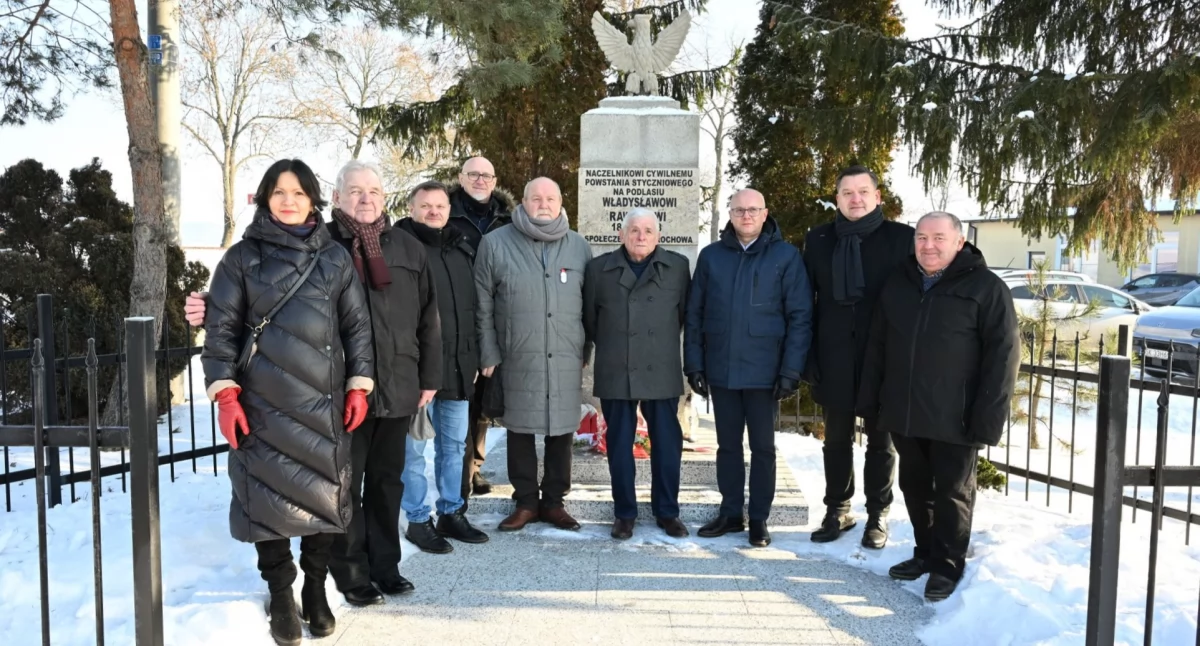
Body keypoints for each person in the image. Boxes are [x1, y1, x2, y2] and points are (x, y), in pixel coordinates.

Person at [186, 160, 441, 607]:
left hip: (390, 384)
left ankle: (386, 566)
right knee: (341, 487)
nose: (365, 199)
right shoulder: (325, 242)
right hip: (328, 391)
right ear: (336, 197)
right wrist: (208, 306)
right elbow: (252, 298)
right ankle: (349, 573)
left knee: (385, 483)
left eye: (374, 191)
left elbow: (427, 318)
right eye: (355, 191)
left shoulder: (403, 246)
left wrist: (428, 377)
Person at [201, 159, 374, 645]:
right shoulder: (240, 259)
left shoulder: (335, 259)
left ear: (313, 199)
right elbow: (221, 333)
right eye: (279, 192)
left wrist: (360, 384)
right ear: (264, 198)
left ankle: (315, 589)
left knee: (324, 496)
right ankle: (281, 593)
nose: (289, 200)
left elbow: (356, 328)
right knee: (266, 500)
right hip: (262, 403)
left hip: (323, 403)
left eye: (299, 192)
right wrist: (225, 395)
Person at [856, 211, 1019, 602]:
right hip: (905, 410)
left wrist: (988, 416)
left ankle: (947, 565)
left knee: (952, 492)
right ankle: (925, 553)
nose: (929, 245)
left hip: (956, 415)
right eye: (921, 238)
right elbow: (878, 344)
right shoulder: (900, 283)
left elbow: (1004, 357)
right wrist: (870, 400)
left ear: (959, 242)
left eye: (938, 238)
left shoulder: (986, 288)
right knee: (914, 486)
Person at [684, 188, 813, 548]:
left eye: (753, 210)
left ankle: (758, 518)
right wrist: (694, 363)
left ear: (765, 212)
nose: (746, 216)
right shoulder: (711, 257)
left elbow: (800, 317)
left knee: (763, 448)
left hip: (765, 373)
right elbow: (694, 314)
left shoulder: (785, 257)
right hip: (721, 369)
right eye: (739, 210)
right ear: (730, 213)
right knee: (727, 446)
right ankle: (729, 512)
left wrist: (790, 370)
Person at [475, 176, 593, 532]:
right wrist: (489, 352)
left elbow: (589, 304)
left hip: (564, 354)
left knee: (561, 431)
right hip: (517, 355)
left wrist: (584, 347)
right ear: (523, 202)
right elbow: (481, 304)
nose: (543, 204)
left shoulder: (578, 247)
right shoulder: (494, 244)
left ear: (561, 202)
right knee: (520, 429)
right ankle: (526, 501)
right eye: (536, 198)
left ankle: (554, 502)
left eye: (551, 198)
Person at [803, 165, 913, 549]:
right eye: (847, 192)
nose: (856, 199)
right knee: (835, 439)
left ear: (877, 196)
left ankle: (878, 513)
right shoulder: (818, 239)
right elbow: (808, 302)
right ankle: (838, 508)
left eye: (863, 191)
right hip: (833, 355)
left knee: (881, 442)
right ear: (837, 199)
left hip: (883, 357)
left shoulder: (903, 239)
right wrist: (809, 354)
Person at [583, 208, 691, 540]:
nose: (640, 236)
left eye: (647, 230)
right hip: (617, 366)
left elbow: (684, 316)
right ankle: (624, 513)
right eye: (634, 230)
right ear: (621, 234)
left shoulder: (677, 267)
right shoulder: (598, 269)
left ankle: (667, 511)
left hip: (661, 366)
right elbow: (590, 320)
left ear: (658, 236)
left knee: (667, 445)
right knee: (618, 445)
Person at [395, 181, 490, 553]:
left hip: (457, 366)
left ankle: (452, 510)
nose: (434, 211)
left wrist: (478, 355)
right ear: (412, 208)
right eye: (426, 206)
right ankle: (418, 519)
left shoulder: (462, 248)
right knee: (414, 450)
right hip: (417, 372)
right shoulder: (401, 247)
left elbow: (475, 309)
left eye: (440, 205)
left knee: (454, 446)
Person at [446, 156, 516, 501]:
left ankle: (474, 467)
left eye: (486, 175)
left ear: (494, 180)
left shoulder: (508, 220)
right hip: (457, 313)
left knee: (486, 400)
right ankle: (459, 476)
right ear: (461, 178)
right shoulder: (447, 213)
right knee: (463, 398)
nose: (479, 180)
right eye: (472, 174)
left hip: (496, 315)